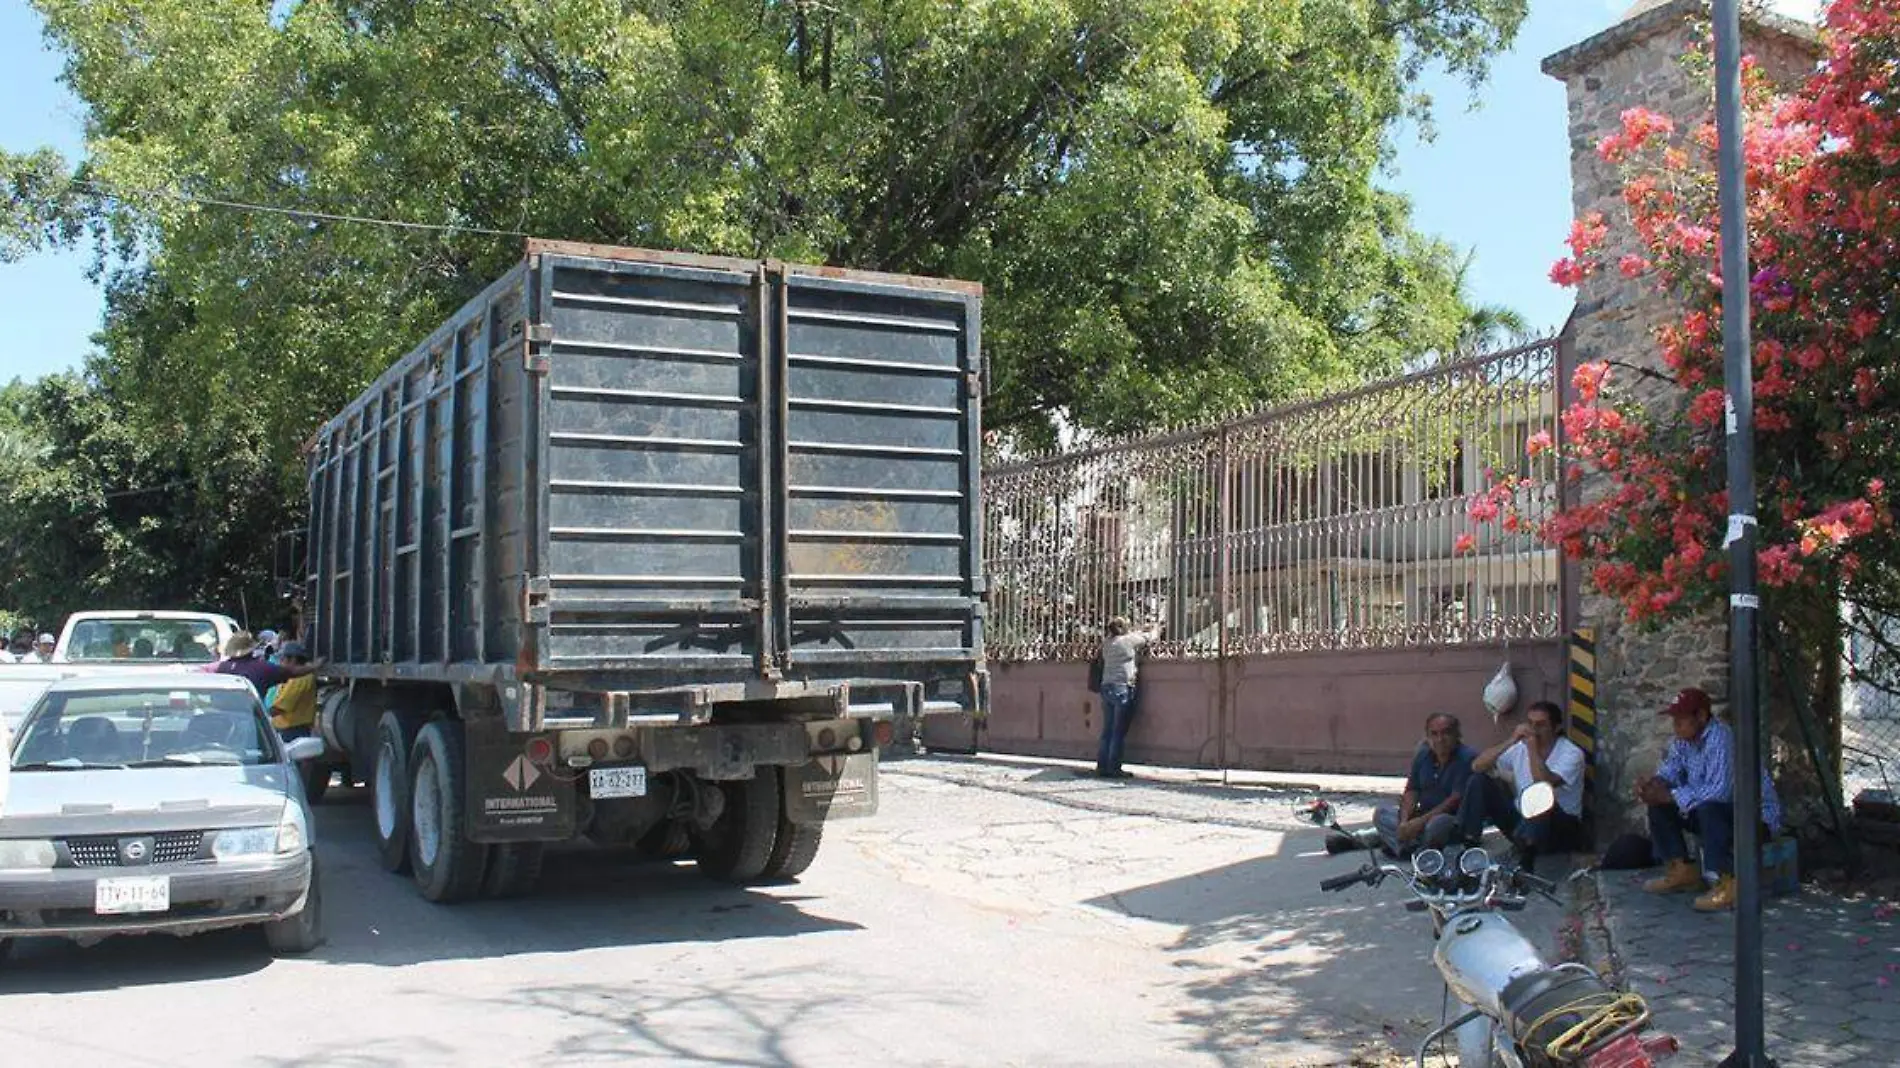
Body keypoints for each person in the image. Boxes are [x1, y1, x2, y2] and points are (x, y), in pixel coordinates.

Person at [1636, 686, 1783, 913]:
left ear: (1702, 717)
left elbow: (1719, 792)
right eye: (1674, 720)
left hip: (1753, 817)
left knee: (1709, 809)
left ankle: (1729, 882)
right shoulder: (1683, 742)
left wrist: (1671, 795)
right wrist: (1654, 785)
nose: (1676, 726)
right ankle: (1682, 870)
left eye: (1681, 720)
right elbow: (1670, 771)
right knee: (1659, 805)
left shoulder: (1721, 738)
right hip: (1715, 812)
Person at [1460, 700, 1588, 870]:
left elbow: (1543, 783)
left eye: (1541, 725)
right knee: (1479, 781)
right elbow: (1477, 766)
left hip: (1559, 826)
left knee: (1540, 795)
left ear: (1556, 728)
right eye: (1530, 724)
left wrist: (1533, 750)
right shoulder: (1520, 747)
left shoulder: (1571, 753)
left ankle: (1524, 860)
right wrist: (1511, 740)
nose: (1534, 730)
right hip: (1524, 822)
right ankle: (1470, 847)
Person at [1374, 713, 1475, 857]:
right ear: (1427, 737)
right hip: (1422, 817)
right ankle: (1415, 850)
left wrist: (1419, 823)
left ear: (1457, 735)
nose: (1440, 739)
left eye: (1446, 733)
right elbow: (1412, 790)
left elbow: (1454, 800)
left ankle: (1405, 846)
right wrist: (1404, 822)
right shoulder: (1423, 755)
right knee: (1382, 813)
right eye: (1434, 734)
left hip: (1451, 821)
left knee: (1439, 824)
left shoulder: (1467, 757)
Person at [1096, 616, 1160, 779]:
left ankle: (1102, 766)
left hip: (1106, 686)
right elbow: (1150, 637)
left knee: (1107, 730)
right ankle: (1114, 768)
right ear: (1124, 628)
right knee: (1118, 731)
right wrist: (1155, 627)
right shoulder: (1128, 641)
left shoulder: (1106, 644)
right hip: (1122, 687)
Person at [214, 631, 319, 700]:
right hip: (251, 720)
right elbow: (292, 672)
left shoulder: (219, 668)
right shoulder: (263, 668)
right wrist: (315, 666)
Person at [268, 642, 319, 741]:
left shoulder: (299, 678)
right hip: (290, 729)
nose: (280, 663)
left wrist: (259, 715)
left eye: (282, 659)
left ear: (293, 660)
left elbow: (281, 707)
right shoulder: (295, 676)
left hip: (292, 731)